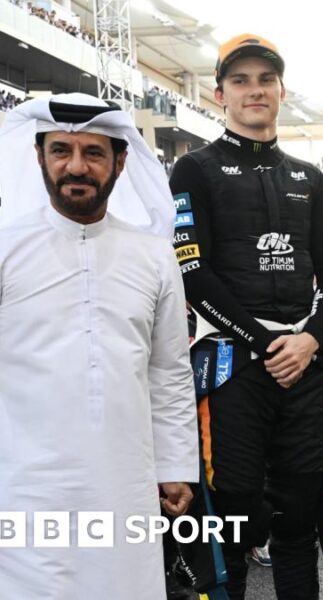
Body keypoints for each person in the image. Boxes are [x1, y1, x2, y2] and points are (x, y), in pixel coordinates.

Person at [168, 33, 323, 599]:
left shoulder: (309, 177)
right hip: (234, 366)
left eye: (264, 80)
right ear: (219, 93)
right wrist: (266, 342)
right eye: (240, 81)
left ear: (281, 91)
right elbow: (191, 272)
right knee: (237, 516)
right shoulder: (192, 170)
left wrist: (310, 341)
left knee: (298, 517)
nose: (254, 90)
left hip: (302, 366)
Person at [0, 93, 197, 598]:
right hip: (22, 480)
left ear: (120, 162)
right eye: (61, 150)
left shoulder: (154, 255)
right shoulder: (6, 247)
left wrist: (176, 467)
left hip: (124, 478)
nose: (76, 166)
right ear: (39, 156)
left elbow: (169, 369)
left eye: (93, 152)